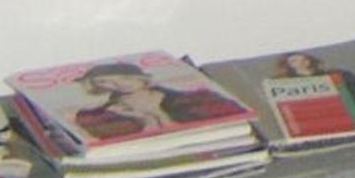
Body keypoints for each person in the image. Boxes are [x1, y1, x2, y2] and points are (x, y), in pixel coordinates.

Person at [73, 62, 243, 141]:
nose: (118, 84)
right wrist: (145, 118)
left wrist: (156, 112)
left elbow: (201, 138)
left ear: (141, 78)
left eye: (125, 78)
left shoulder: (197, 99)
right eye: (105, 81)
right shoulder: (95, 116)